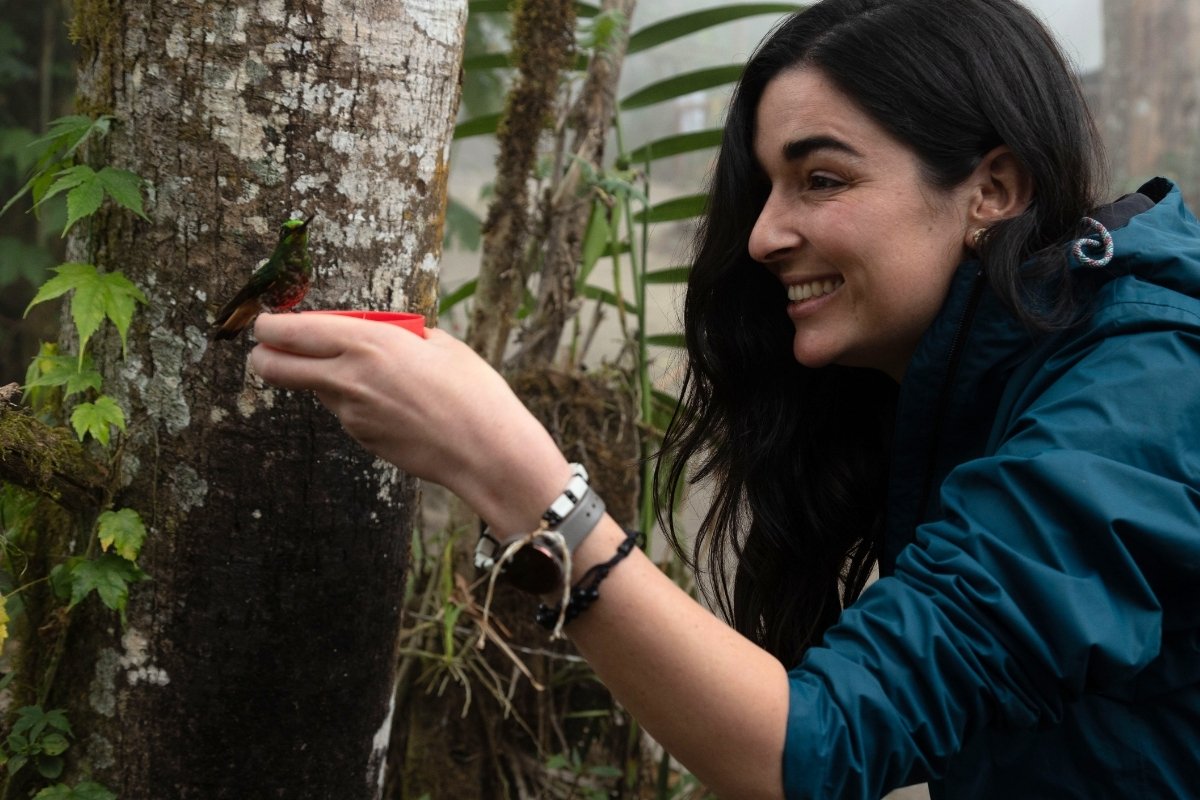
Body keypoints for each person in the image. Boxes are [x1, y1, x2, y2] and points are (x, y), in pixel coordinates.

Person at [249, 0, 1200, 796]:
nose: (763, 236)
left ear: (992, 187)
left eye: (822, 179)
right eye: (769, 187)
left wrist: (517, 476)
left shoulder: (1143, 394)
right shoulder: (1003, 373)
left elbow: (809, 748)